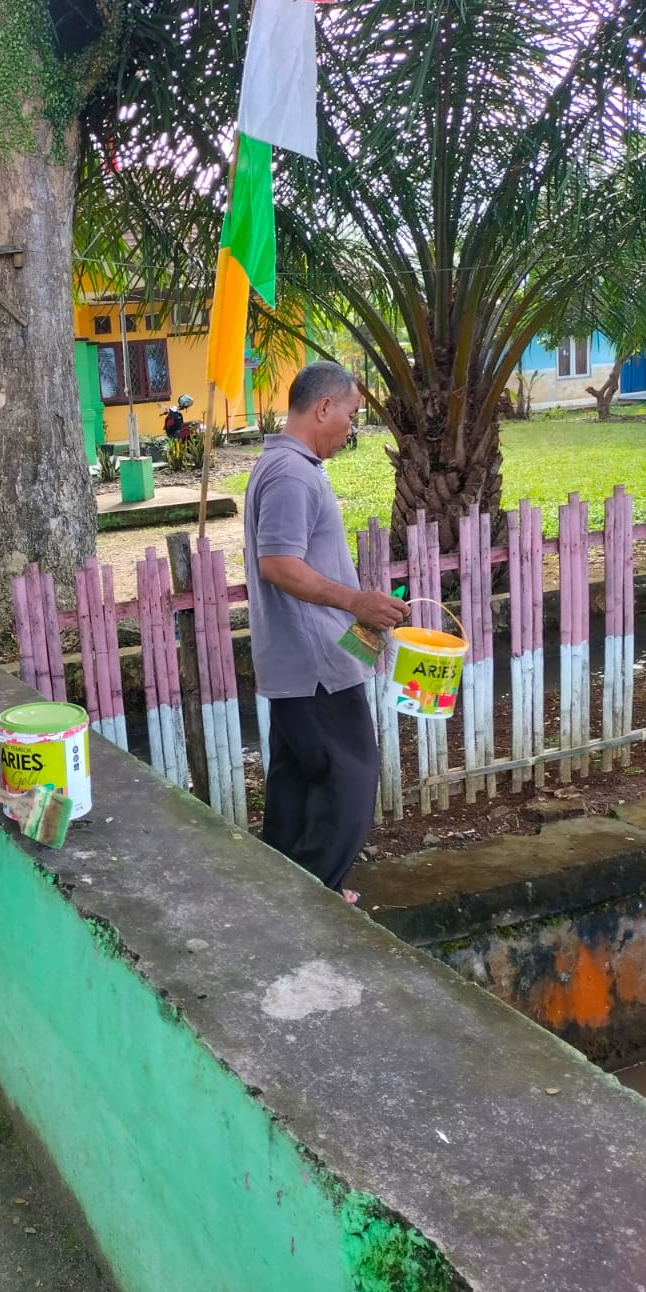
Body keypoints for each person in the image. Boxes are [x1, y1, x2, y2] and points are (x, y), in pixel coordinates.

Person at [243, 361, 408, 903]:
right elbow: (279, 564)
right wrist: (355, 599)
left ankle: (283, 892)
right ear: (323, 408)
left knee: (295, 784)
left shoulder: (286, 464)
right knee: (351, 781)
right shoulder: (292, 473)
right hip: (317, 666)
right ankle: (316, 897)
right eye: (352, 414)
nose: (351, 427)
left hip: (296, 662)